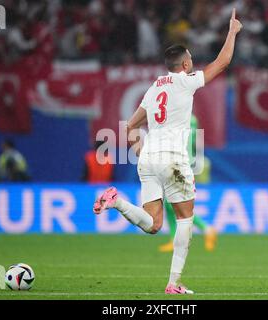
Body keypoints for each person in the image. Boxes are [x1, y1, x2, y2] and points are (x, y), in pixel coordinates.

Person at [93, 9, 242, 294]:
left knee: (153, 224)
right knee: (185, 219)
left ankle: (117, 203)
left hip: (148, 158)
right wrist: (232, 31)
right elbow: (222, 62)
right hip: (173, 159)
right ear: (185, 64)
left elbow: (130, 126)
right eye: (191, 60)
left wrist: (141, 151)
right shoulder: (185, 82)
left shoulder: (153, 88)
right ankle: (173, 284)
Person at [159, 115, 217, 253]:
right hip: (181, 163)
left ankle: (206, 229)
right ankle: (174, 240)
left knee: (175, 203)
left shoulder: (178, 119)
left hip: (178, 164)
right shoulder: (191, 119)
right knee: (169, 204)